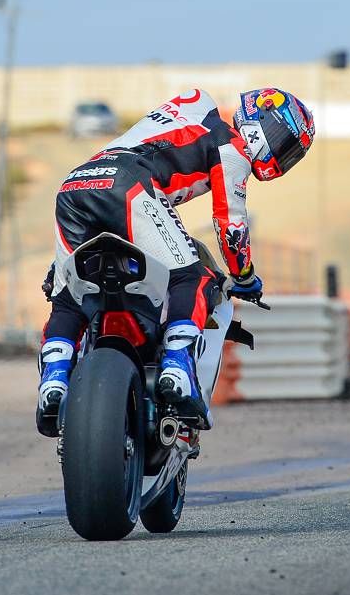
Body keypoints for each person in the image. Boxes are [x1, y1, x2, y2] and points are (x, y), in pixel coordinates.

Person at [36, 87, 315, 437]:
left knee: (69, 296)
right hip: (129, 184)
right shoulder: (232, 147)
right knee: (192, 277)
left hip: (75, 186)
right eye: (282, 140)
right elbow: (230, 224)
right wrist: (244, 276)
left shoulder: (191, 114)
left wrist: (57, 263)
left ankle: (54, 379)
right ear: (259, 122)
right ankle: (176, 366)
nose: (281, 153)